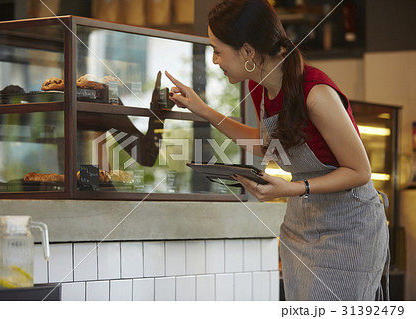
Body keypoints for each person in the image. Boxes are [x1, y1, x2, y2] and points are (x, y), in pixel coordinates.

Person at [166, 0, 389, 301]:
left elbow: (360, 172)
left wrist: (293, 187)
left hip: (349, 229)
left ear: (247, 52)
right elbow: (267, 147)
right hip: (301, 226)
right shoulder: (258, 86)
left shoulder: (316, 92)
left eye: (217, 50)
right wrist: (202, 110)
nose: (215, 60)